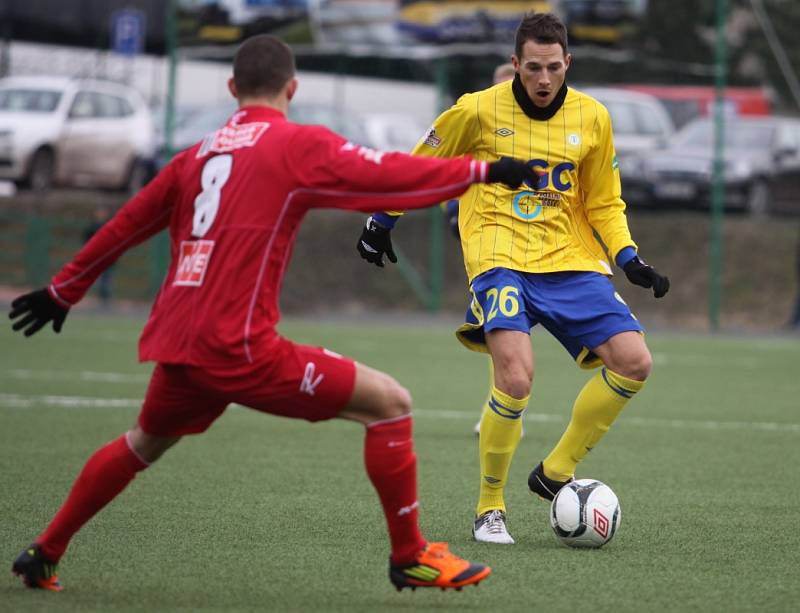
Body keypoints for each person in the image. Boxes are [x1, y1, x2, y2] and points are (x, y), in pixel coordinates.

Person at [8, 34, 538, 593]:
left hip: (179, 343)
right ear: (293, 87)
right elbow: (384, 172)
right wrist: (483, 172)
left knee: (143, 443)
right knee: (390, 404)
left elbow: (129, 222)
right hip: (237, 346)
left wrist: (65, 289)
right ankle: (409, 557)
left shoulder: (198, 153)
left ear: (233, 89)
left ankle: (45, 551)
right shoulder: (293, 144)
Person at [356, 12, 669, 546]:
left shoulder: (593, 117)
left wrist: (628, 256)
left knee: (635, 362)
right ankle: (489, 509)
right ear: (516, 66)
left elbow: (603, 200)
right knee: (517, 377)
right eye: (532, 68)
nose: (543, 79)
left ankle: (556, 471)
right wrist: (383, 221)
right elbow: (422, 164)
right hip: (498, 255)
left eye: (553, 68)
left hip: (569, 259)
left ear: (567, 63)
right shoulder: (476, 110)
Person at [83, 205, 114, 305]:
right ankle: (95, 299)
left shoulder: (109, 225)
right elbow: (86, 240)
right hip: (95, 257)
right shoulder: (92, 227)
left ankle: (105, 300)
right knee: (96, 278)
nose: (101, 215)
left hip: (107, 258)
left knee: (107, 279)